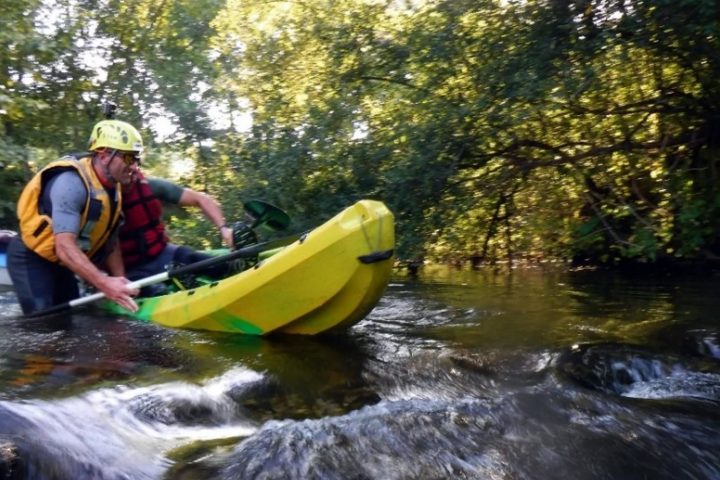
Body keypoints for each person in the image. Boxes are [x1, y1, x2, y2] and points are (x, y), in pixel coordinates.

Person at [7, 119, 142, 315]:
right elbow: (64, 246)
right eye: (130, 159)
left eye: (138, 159)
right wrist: (103, 282)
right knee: (43, 321)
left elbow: (111, 240)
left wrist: (120, 283)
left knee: (69, 320)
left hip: (62, 263)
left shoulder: (114, 189)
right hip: (31, 257)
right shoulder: (71, 184)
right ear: (104, 156)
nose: (135, 167)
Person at [118, 168, 241, 288]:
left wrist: (224, 229)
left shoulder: (151, 186)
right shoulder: (104, 200)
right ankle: (180, 285)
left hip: (162, 253)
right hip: (129, 268)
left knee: (190, 257)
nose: (131, 174)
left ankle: (235, 268)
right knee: (154, 290)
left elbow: (200, 199)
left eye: (133, 165)